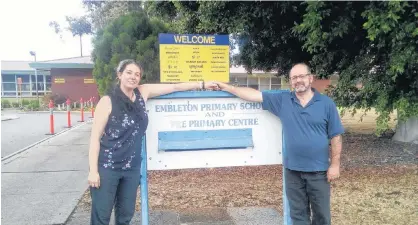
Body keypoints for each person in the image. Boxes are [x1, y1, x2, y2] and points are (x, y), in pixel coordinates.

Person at [87, 59, 217, 225]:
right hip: (107, 167)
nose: (133, 77)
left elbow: (175, 86)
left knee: (125, 215)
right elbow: (95, 139)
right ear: (119, 75)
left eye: (137, 74)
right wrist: (93, 171)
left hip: (131, 169)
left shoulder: (143, 92)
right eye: (129, 72)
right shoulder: (107, 101)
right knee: (101, 217)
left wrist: (202, 84)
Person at [214, 63, 344, 225]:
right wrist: (228, 88)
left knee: (322, 217)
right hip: (293, 171)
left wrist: (335, 165)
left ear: (310, 78)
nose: (298, 80)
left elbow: (336, 136)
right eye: (294, 78)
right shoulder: (283, 100)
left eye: (301, 76)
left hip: (318, 171)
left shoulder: (326, 104)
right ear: (290, 82)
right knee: (298, 216)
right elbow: (255, 95)